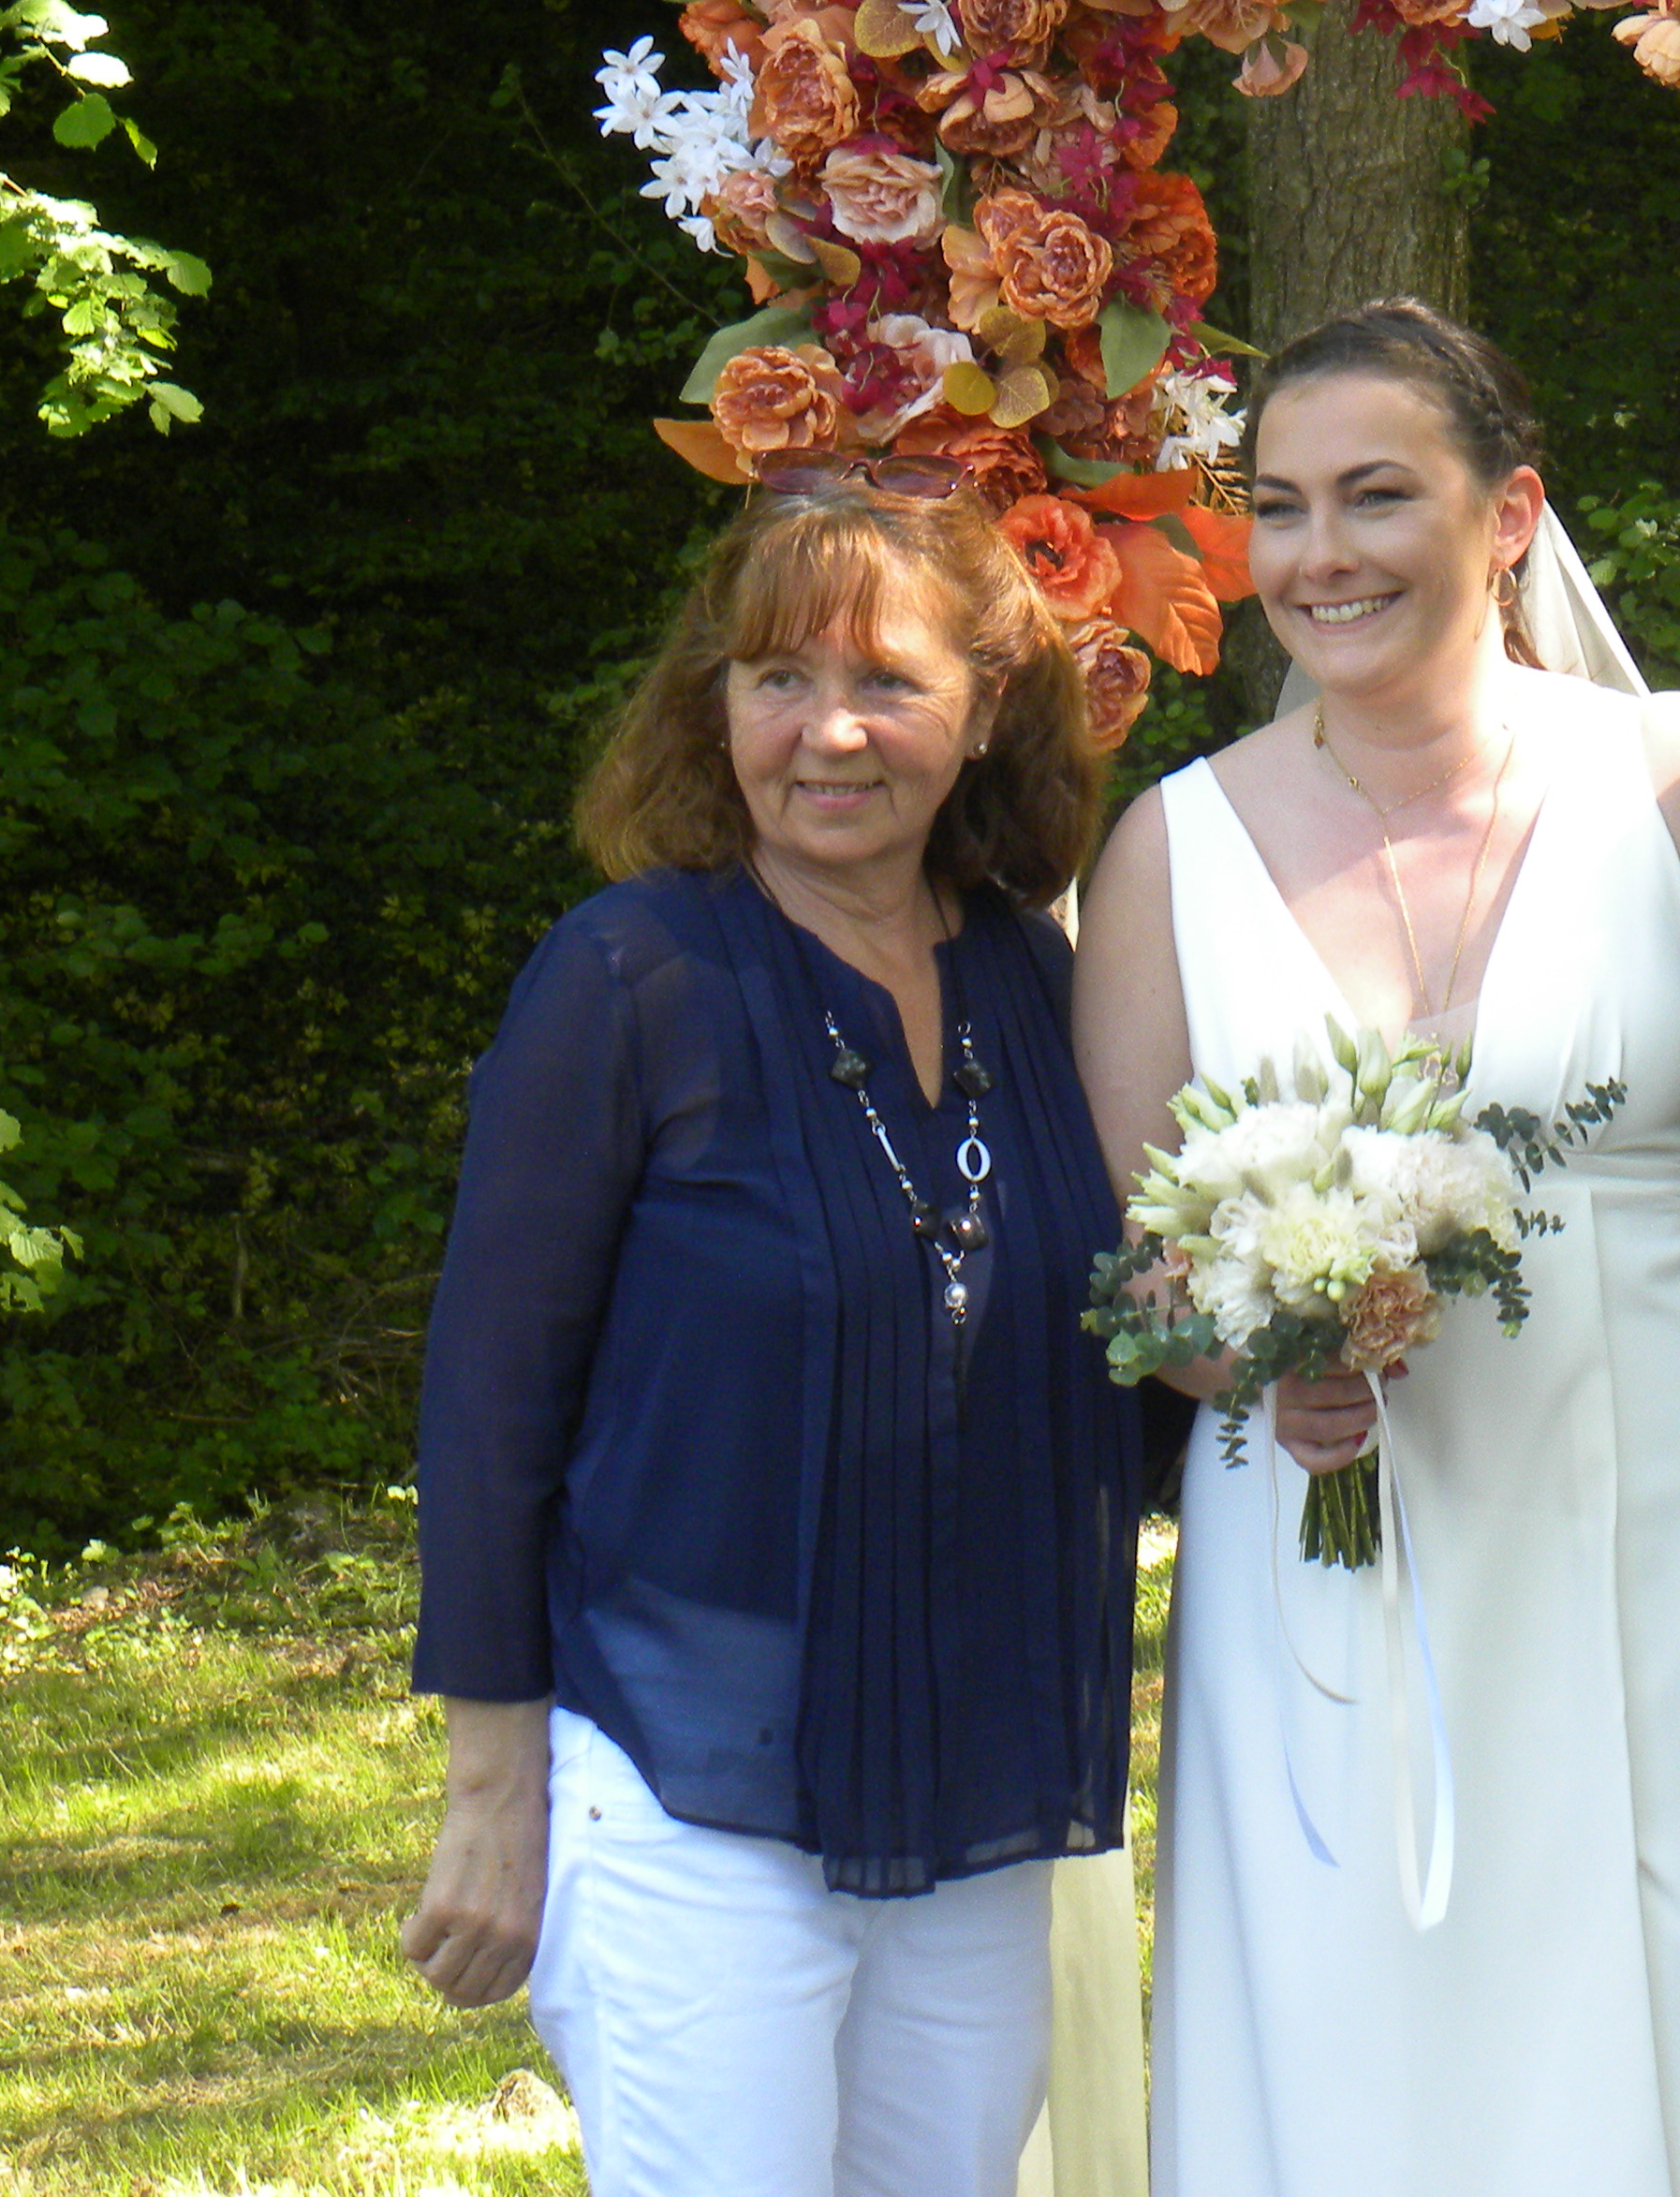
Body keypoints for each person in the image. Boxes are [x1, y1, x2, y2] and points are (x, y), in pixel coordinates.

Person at [1070, 301, 1680, 2197]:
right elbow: (1136, 1267)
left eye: (1378, 495)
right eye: (1279, 506)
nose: (1321, 553)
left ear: (1509, 515)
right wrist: (1253, 1352)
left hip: (1666, 1507)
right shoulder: (1169, 852)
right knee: (1364, 2019)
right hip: (1330, 1532)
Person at [399, 476, 1146, 2197]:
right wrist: (493, 1789)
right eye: (777, 678)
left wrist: (1296, 1343)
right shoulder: (629, 981)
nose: (829, 733)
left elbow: (1104, 1369)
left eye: (886, 681)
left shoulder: (1044, 988)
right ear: (714, 703)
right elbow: (491, 1405)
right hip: (692, 1776)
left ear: (983, 711)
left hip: (976, 1775)